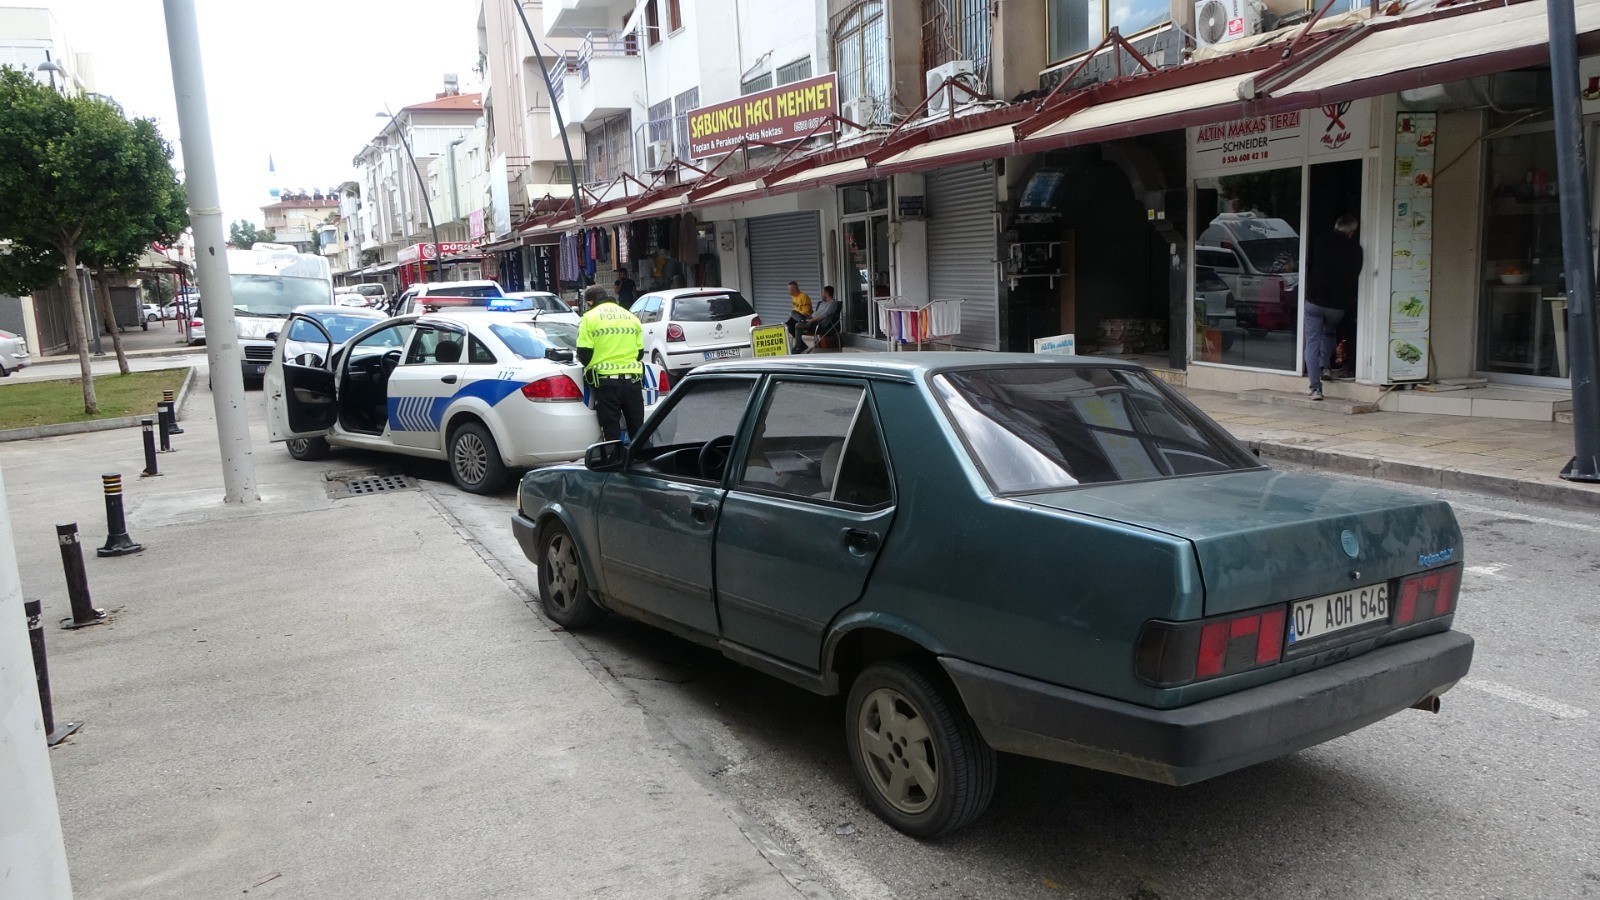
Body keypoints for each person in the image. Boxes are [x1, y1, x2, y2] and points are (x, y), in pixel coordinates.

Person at [576, 284, 645, 442]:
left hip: (607, 384)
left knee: (611, 432)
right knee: (639, 433)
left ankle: (614, 464)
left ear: (590, 302)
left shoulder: (589, 318)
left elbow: (584, 353)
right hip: (633, 383)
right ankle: (641, 463)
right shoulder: (630, 316)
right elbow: (639, 353)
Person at [1304, 214, 1362, 401]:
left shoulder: (1321, 242)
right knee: (1328, 332)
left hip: (1315, 300)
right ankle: (1326, 367)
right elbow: (1355, 275)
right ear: (1352, 232)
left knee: (1312, 341)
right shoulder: (1355, 249)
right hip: (1338, 304)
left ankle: (1315, 388)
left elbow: (1310, 265)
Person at [792, 285, 841, 353]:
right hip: (811, 319)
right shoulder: (822, 303)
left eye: (823, 293)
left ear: (826, 293)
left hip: (819, 324)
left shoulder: (832, 303)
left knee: (798, 326)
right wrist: (808, 317)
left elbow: (824, 315)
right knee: (793, 313)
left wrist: (811, 320)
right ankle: (802, 321)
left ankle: (798, 347)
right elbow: (816, 313)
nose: (822, 294)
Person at [783, 280, 813, 347]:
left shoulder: (803, 296)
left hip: (805, 317)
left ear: (793, 289)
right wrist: (792, 316)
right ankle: (802, 345)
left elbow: (806, 311)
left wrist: (794, 314)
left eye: (789, 289)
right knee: (789, 326)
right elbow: (795, 309)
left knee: (792, 313)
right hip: (798, 317)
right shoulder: (793, 297)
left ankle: (801, 321)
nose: (788, 291)